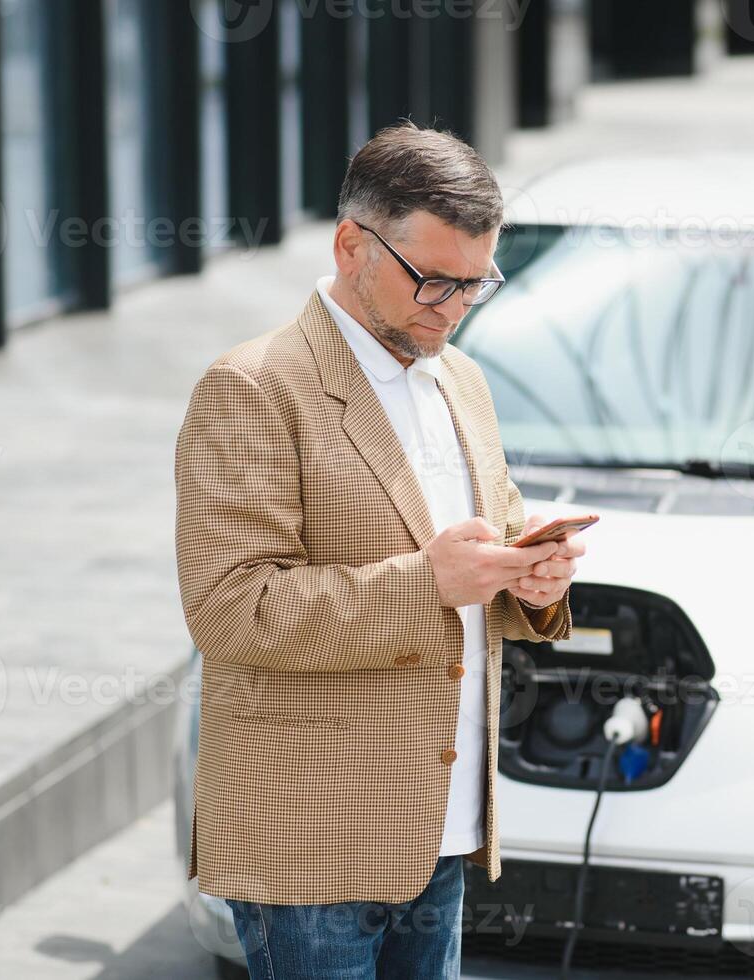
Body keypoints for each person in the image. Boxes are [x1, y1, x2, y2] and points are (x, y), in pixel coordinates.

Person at [173, 120, 585, 979]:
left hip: (444, 825)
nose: (454, 308)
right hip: (309, 843)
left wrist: (532, 583)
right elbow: (230, 609)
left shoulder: (461, 378)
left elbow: (492, 541)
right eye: (433, 281)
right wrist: (429, 582)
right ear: (352, 244)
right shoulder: (252, 387)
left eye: (476, 285)